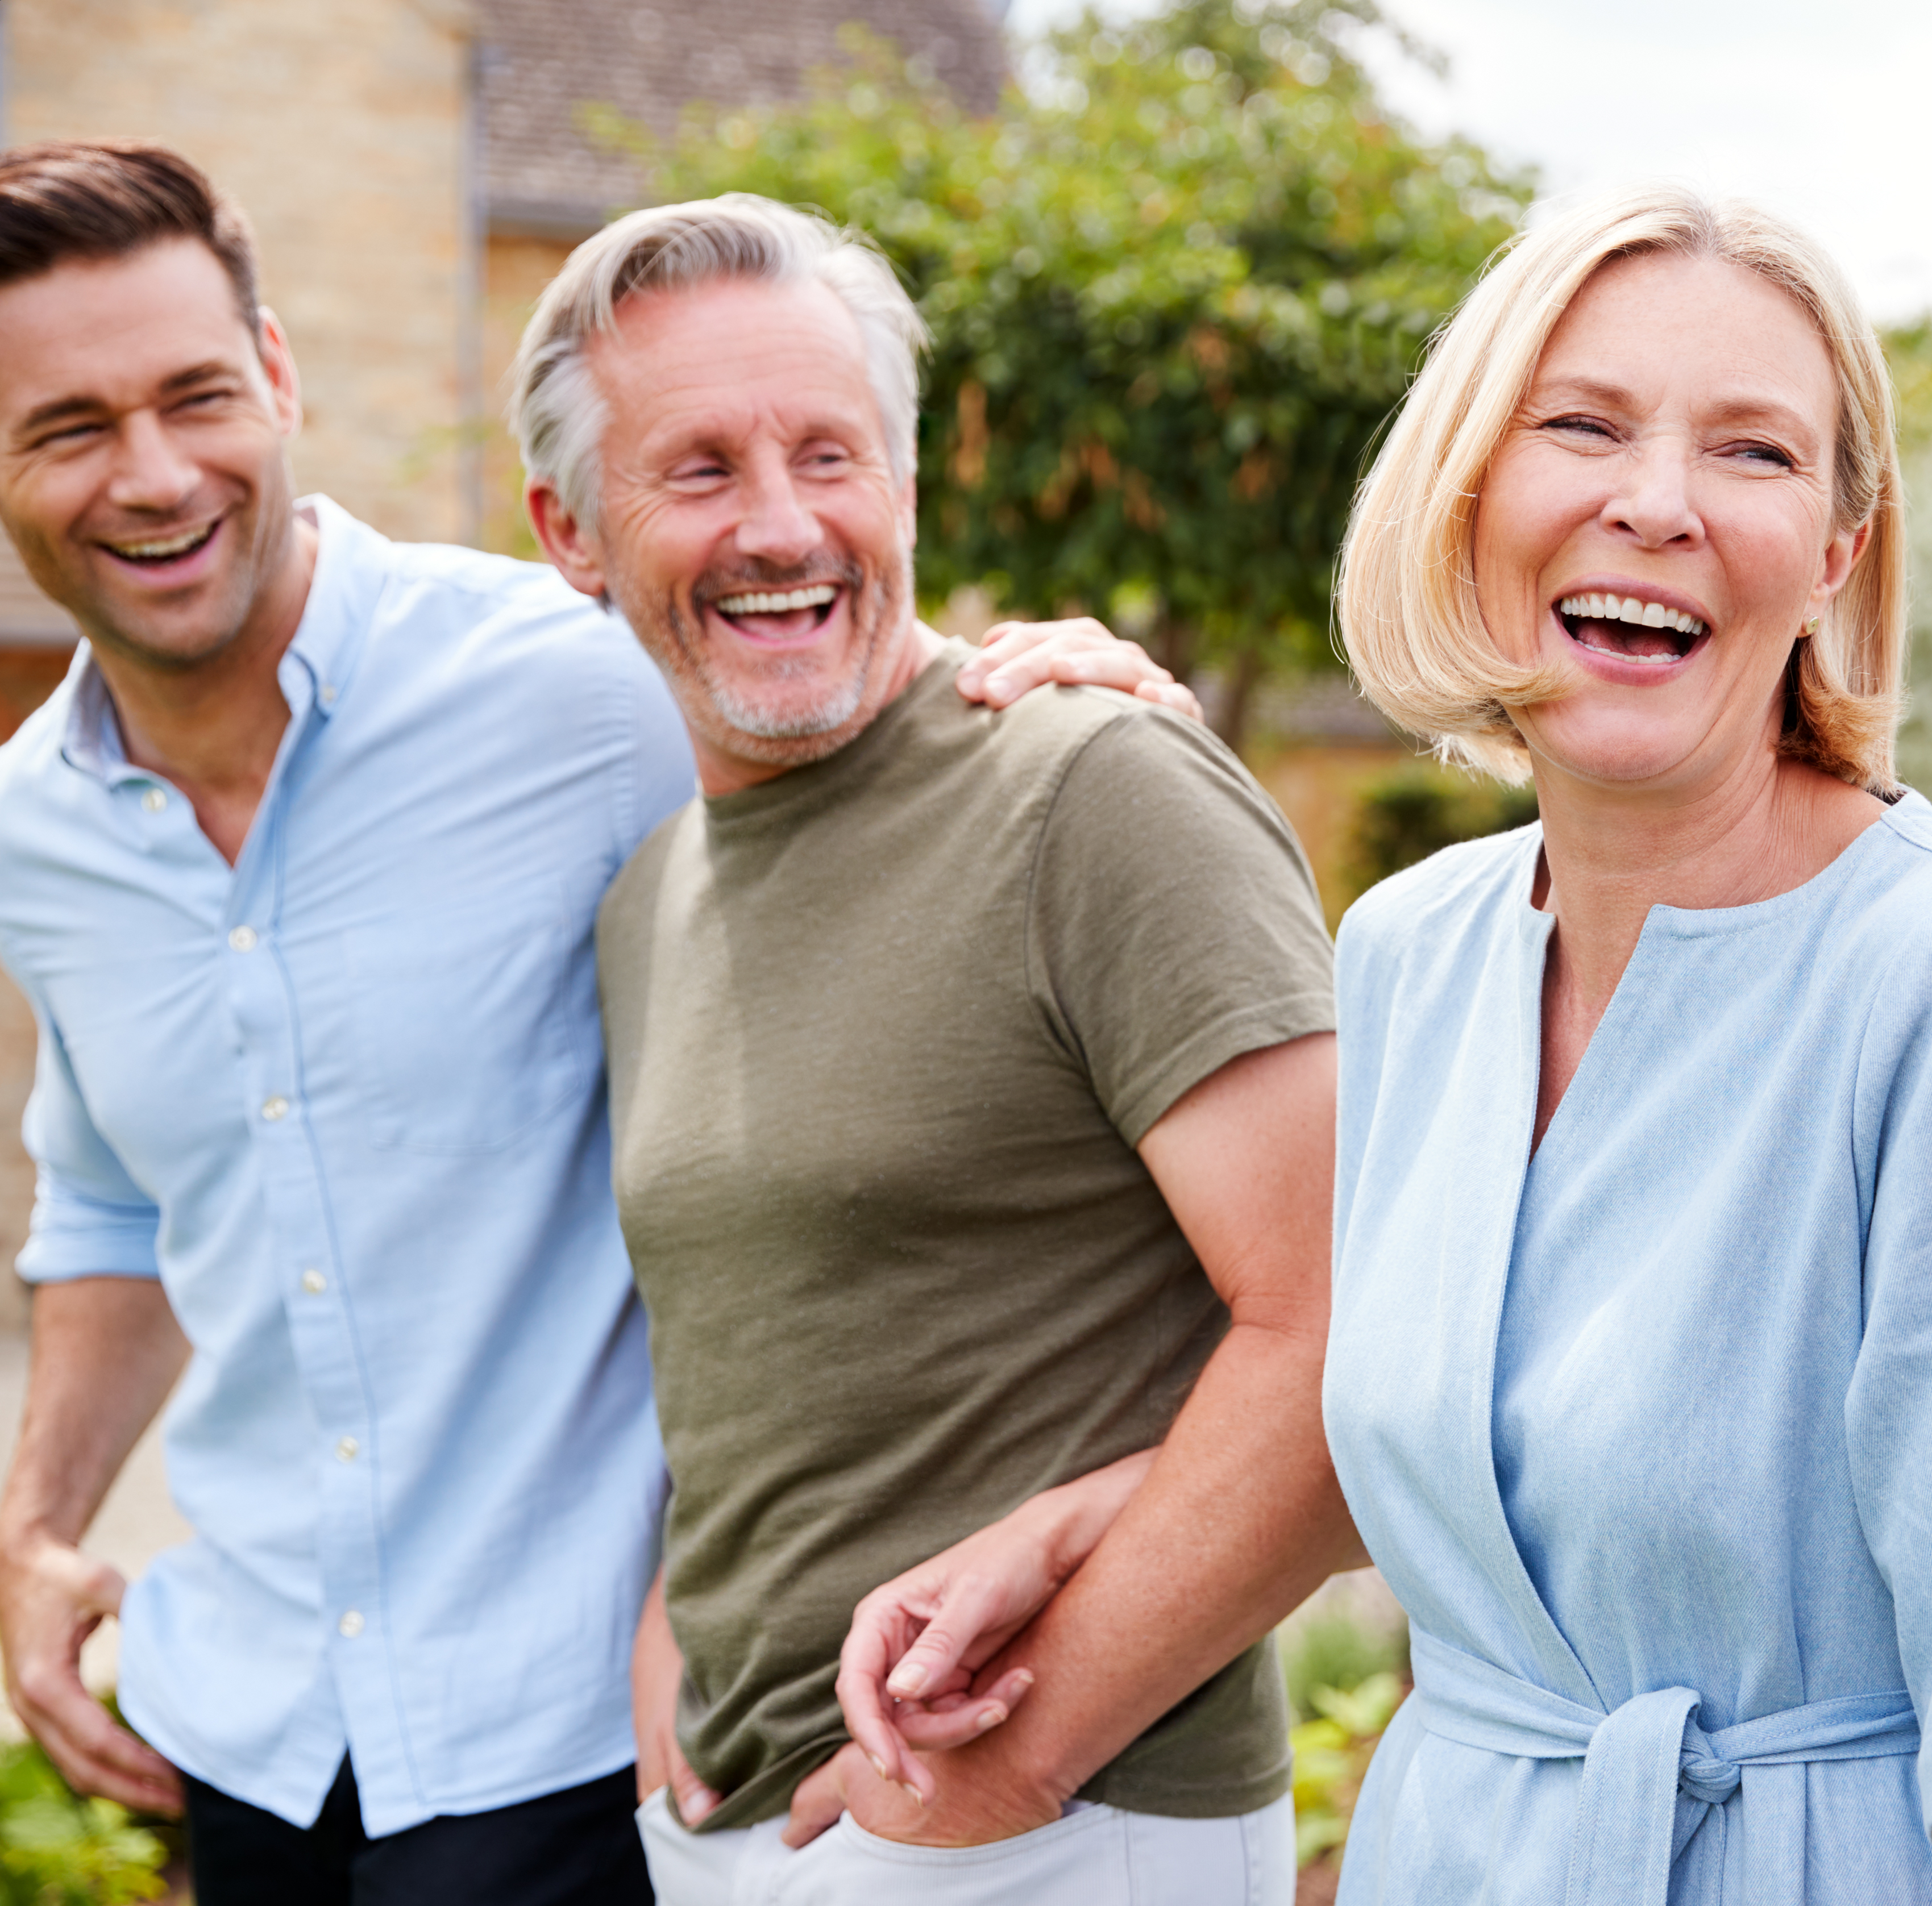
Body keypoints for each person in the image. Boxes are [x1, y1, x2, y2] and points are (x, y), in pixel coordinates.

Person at [0, 140, 1185, 1903]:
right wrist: (34, 1528)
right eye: (69, 427)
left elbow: (810, 644)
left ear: (278, 378)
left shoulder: (570, 685)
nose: (155, 473)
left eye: (193, 395)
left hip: (590, 1735)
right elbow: (113, 1211)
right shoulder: (32, 831)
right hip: (243, 1736)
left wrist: (1049, 691)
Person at [1294, 184, 1932, 1906]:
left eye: (1753, 453)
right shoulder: (1404, 955)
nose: (1655, 504)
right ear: (1469, 492)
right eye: (1582, 425)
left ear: (1837, 549)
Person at [516, 194, 1355, 1906]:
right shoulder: (647, 898)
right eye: (698, 471)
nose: (780, 526)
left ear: (904, 482)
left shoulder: (1089, 789)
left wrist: (1002, 1772)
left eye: (831, 455)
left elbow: (1357, 1340)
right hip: (745, 1832)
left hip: (1053, 1819)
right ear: (571, 529)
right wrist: (678, 1647)